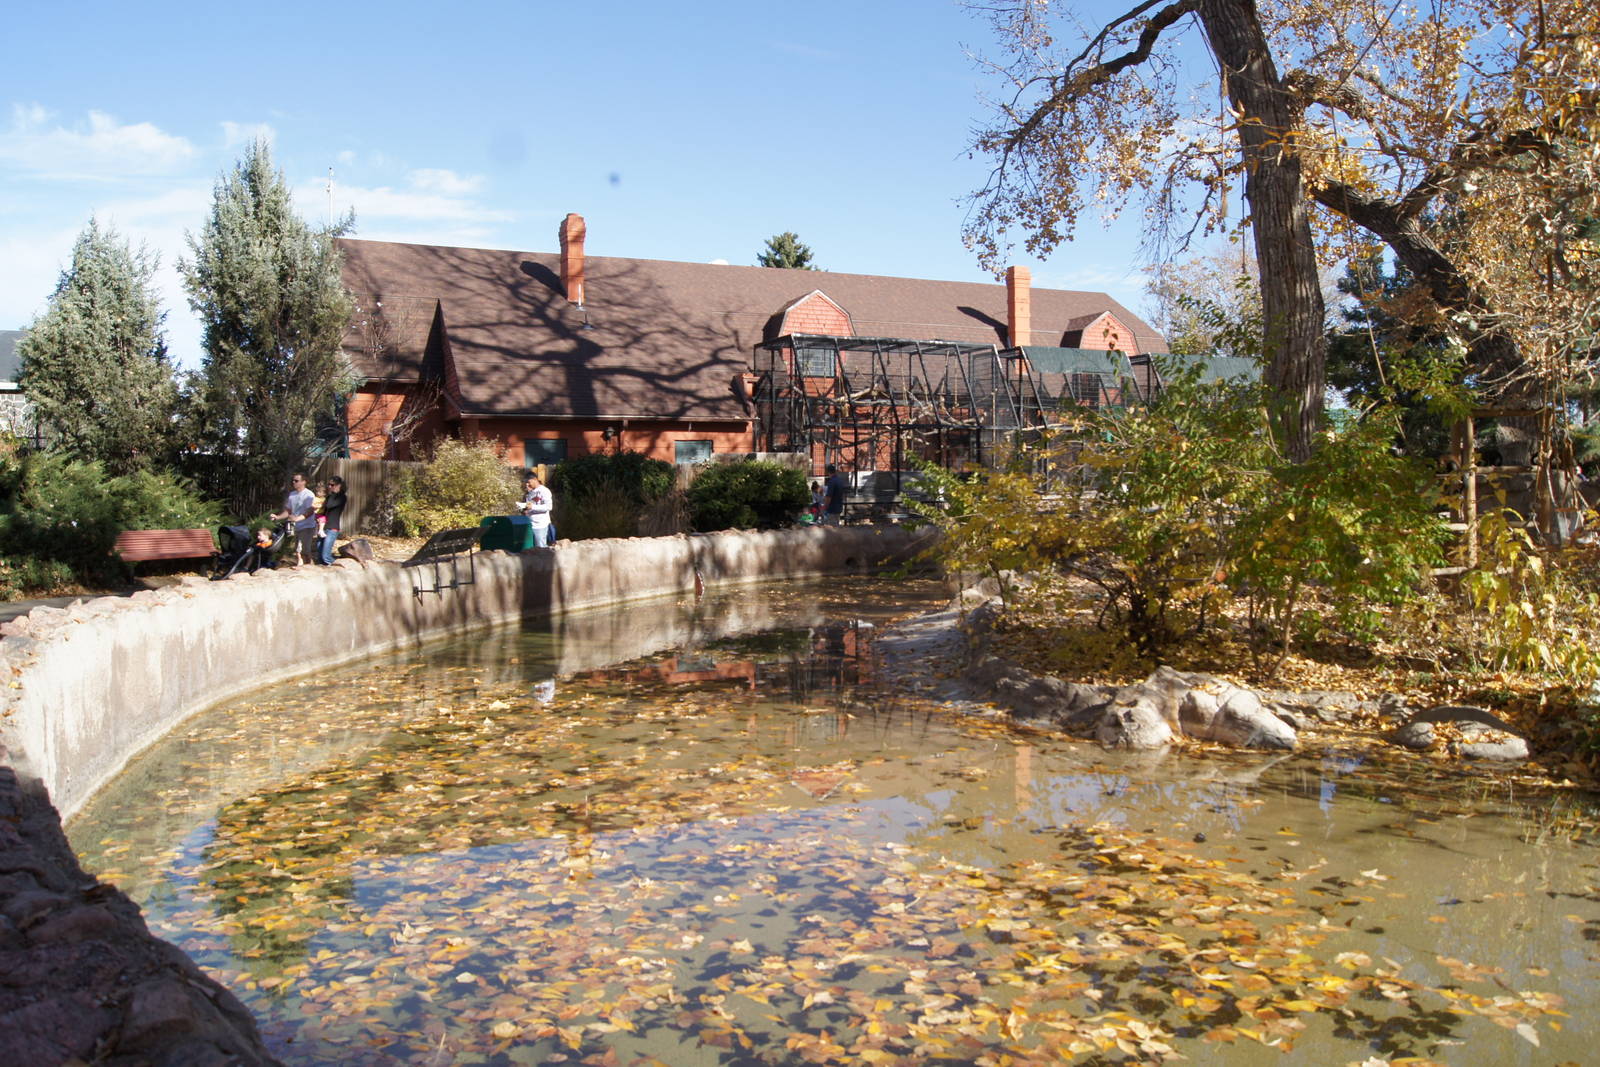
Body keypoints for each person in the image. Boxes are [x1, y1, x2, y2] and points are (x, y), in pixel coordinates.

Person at [270, 473, 318, 565]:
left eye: (296, 481)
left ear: (304, 482)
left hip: (307, 526)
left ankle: (307, 567)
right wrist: (277, 517)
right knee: (298, 550)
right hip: (296, 526)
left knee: (304, 550)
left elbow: (310, 511)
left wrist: (297, 519)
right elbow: (288, 511)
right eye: (293, 480)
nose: (293, 482)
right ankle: (304, 566)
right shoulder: (292, 495)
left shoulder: (309, 495)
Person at [317, 476, 348, 565]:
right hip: (323, 527)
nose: (329, 487)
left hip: (332, 528)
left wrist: (331, 495)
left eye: (332, 485)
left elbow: (329, 505)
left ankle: (341, 568)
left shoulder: (342, 497)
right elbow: (324, 511)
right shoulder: (329, 496)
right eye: (329, 484)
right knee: (319, 557)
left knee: (325, 556)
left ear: (339, 485)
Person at [518, 472, 554, 547]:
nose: (527, 484)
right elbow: (530, 506)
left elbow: (549, 506)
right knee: (532, 549)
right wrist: (524, 509)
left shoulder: (544, 491)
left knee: (541, 549)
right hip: (530, 524)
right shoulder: (530, 493)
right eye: (526, 483)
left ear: (535, 479)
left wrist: (533, 507)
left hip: (540, 525)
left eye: (529, 482)